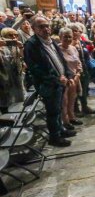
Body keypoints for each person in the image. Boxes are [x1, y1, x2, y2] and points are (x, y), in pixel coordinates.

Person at [24, 16, 76, 147]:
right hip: (48, 84)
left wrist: (68, 74)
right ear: (34, 28)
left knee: (58, 108)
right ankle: (55, 137)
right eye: (41, 26)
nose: (46, 29)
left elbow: (61, 60)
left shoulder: (51, 41)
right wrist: (56, 78)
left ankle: (61, 130)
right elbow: (35, 69)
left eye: (47, 25)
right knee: (52, 111)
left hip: (61, 81)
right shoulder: (31, 45)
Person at [67, 23, 95, 115]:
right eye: (74, 31)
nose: (76, 33)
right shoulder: (68, 43)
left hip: (84, 68)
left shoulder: (81, 41)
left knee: (84, 88)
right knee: (74, 90)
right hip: (73, 71)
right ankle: (75, 109)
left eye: (78, 31)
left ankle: (85, 106)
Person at [58, 28, 83, 130]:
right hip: (64, 80)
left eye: (70, 36)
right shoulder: (58, 49)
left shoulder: (73, 48)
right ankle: (65, 121)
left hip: (75, 78)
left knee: (72, 99)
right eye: (65, 37)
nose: (68, 39)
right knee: (64, 101)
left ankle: (72, 117)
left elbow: (78, 62)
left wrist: (78, 74)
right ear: (60, 37)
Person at [0, 29, 25, 113]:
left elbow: (23, 56)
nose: (14, 37)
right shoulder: (2, 48)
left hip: (17, 75)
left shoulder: (15, 47)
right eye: (10, 35)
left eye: (16, 35)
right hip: (4, 79)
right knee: (6, 101)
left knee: (19, 99)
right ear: (3, 37)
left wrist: (21, 47)